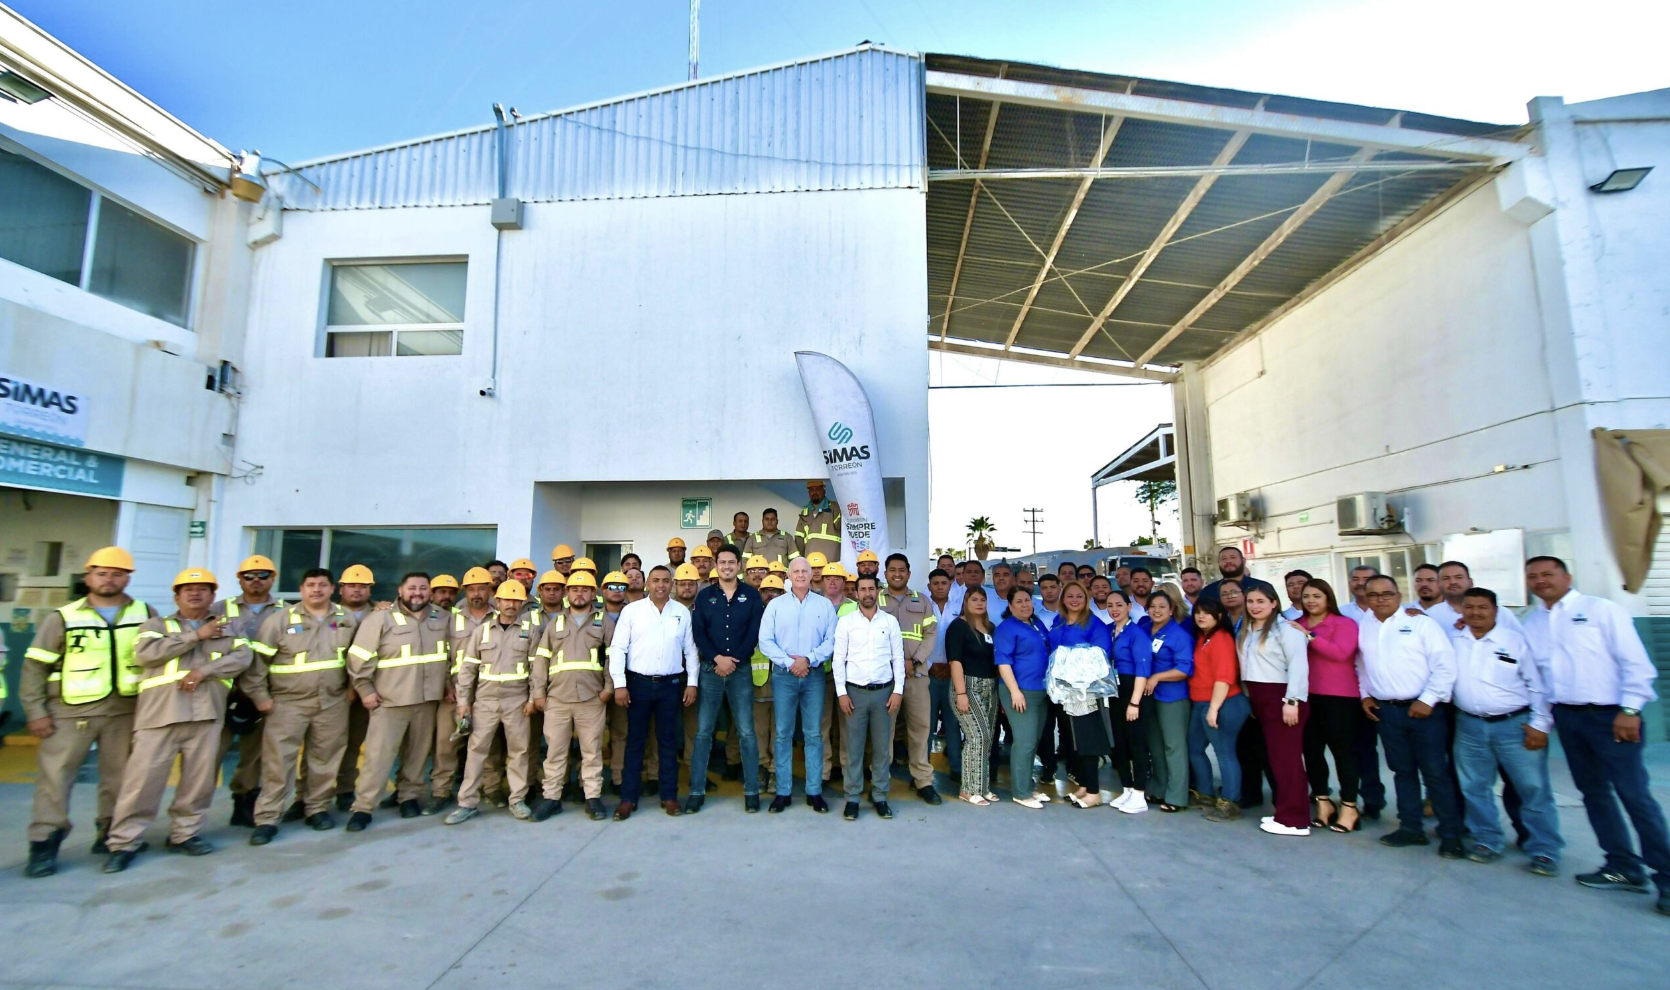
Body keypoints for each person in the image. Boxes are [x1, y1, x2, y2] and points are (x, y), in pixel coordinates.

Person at [1523, 556, 1668, 915]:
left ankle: (1666, 877)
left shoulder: (1602, 610)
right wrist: (1542, 722)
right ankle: (1622, 866)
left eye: (1547, 574)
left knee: (1634, 796)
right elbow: (1539, 681)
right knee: (1594, 794)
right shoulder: (1533, 623)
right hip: (1568, 718)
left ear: (1567, 576)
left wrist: (1630, 710)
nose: (1540, 581)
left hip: (1612, 717)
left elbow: (1636, 664)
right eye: (1533, 576)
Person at [102, 569, 252, 872]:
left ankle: (185, 834)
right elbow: (147, 654)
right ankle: (124, 842)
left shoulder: (228, 627)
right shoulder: (156, 625)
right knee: (142, 783)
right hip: (160, 716)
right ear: (176, 596)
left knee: (198, 783)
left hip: (206, 715)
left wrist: (204, 672)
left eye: (202, 589)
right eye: (188, 590)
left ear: (213, 596)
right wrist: (196, 636)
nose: (195, 594)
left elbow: (242, 657)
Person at [21, 546, 155, 878]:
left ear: (128, 577)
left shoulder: (145, 612)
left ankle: (112, 835)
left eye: (117, 573)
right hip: (69, 712)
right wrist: (36, 711)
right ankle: (44, 844)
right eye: (102, 573)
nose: (109, 579)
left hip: (126, 710)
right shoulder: (62, 617)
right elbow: (35, 666)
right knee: (55, 779)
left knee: (121, 779)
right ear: (88, 577)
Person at [242, 568, 358, 846]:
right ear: (301, 589)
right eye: (310, 585)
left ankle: (316, 808)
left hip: (332, 701)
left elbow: (356, 658)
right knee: (278, 763)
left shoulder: (346, 618)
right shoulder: (279, 621)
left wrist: (352, 688)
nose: (316, 590)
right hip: (287, 703)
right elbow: (257, 663)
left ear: (332, 589)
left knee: (324, 760)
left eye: (322, 585)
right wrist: (260, 697)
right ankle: (268, 818)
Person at [1451, 587, 1563, 872]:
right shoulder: (1454, 641)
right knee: (1474, 786)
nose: (1476, 612)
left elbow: (1538, 686)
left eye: (1482, 607)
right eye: (1470, 607)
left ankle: (1545, 849)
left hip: (1514, 725)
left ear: (1496, 611)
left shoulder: (1515, 642)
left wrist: (1540, 724)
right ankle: (1487, 839)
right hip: (1469, 725)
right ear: (1461, 610)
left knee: (1533, 788)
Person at [1357, 575, 1464, 857]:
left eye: (1387, 594)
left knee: (1435, 773)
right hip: (1387, 711)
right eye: (1374, 595)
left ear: (1399, 594)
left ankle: (1451, 832)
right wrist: (1365, 694)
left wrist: (1428, 700)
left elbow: (1445, 665)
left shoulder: (1420, 623)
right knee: (1402, 771)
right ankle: (1411, 827)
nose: (1381, 599)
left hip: (1424, 711)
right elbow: (1362, 665)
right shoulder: (1365, 625)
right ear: (1366, 598)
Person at [344, 573, 450, 832]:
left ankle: (409, 797)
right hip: (390, 701)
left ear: (430, 592)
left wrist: (447, 683)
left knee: (416, 756)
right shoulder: (380, 618)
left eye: (423, 589)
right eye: (412, 588)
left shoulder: (443, 617)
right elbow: (358, 658)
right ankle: (363, 807)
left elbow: (450, 655)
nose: (418, 593)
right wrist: (364, 689)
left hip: (427, 700)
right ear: (400, 590)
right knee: (378, 758)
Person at [608, 566, 698, 820]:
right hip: (638, 684)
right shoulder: (632, 611)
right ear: (647, 583)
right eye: (656, 580)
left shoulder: (681, 612)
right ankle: (628, 799)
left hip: (670, 685)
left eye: (666, 581)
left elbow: (690, 651)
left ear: (672, 584)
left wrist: (692, 682)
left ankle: (669, 796)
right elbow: (618, 648)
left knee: (668, 742)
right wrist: (619, 684)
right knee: (635, 742)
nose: (661, 585)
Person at [446, 582, 538, 824]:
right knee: (476, 751)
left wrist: (532, 699)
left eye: (515, 600)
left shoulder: (530, 631)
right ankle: (467, 802)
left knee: (519, 751)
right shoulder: (482, 631)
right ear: (497, 602)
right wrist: (464, 701)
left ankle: (517, 800)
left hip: (517, 701)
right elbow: (467, 669)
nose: (510, 604)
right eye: (506, 600)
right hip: (485, 700)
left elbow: (537, 670)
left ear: (522, 603)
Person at [687, 545, 766, 814]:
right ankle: (696, 792)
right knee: (703, 733)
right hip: (711, 671)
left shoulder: (752, 596)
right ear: (715, 565)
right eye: (722, 562)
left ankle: (752, 791)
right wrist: (717, 658)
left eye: (732, 562)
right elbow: (698, 633)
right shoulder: (705, 596)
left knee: (746, 732)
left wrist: (734, 661)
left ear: (739, 565)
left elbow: (754, 633)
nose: (727, 566)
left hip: (740, 671)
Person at [530, 569, 612, 821]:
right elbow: (541, 660)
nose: (579, 593)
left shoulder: (604, 621)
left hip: (591, 699)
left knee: (591, 751)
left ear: (592, 593)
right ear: (568, 593)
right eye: (575, 589)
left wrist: (608, 689)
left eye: (585, 589)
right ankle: (551, 798)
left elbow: (613, 657)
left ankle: (592, 797)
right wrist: (538, 693)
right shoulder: (555, 623)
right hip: (557, 699)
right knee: (555, 752)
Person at [760, 557, 837, 813]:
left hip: (814, 676)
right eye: (797, 571)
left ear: (812, 574)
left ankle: (814, 791)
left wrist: (809, 660)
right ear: (788, 575)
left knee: (814, 734)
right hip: (784, 676)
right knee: (782, 733)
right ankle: (783, 791)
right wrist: (790, 662)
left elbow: (832, 640)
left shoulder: (824, 605)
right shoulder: (775, 606)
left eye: (805, 571)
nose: (801, 575)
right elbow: (766, 641)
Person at [214, 555, 281, 829]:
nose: (256, 581)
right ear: (239, 579)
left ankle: (244, 802)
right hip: (221, 694)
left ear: (272, 578)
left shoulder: (286, 611)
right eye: (249, 576)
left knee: (254, 755)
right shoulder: (218, 609)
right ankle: (188, 819)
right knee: (207, 755)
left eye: (263, 575)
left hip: (261, 694)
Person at [1292, 579, 1363, 833]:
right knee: (1311, 752)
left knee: (1343, 753)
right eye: (1307, 596)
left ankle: (1349, 806)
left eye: (1317, 596)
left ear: (1328, 598)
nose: (1311, 601)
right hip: (1306, 696)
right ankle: (1323, 802)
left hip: (1339, 698)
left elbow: (1340, 653)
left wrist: (1309, 637)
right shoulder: (1297, 624)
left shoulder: (1344, 624)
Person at [1238, 587, 1311, 837]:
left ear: (1274, 603)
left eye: (1261, 601)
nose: (1255, 606)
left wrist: (1292, 700)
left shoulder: (1286, 630)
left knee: (1287, 760)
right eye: (1250, 601)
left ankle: (1296, 819)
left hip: (1282, 697)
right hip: (1259, 698)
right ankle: (1284, 812)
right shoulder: (1248, 629)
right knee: (1276, 759)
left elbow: (1298, 666)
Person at [833, 575, 905, 821]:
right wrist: (841, 692)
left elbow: (898, 658)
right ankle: (852, 798)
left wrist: (898, 691)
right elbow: (838, 660)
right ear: (857, 592)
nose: (867, 593)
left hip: (885, 693)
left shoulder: (890, 622)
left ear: (878, 591)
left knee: (882, 748)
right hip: (855, 693)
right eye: (862, 589)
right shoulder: (846, 622)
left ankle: (880, 795)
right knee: (853, 748)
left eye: (871, 588)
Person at [880, 554, 942, 805]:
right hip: (884, 676)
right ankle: (880, 780)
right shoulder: (876, 598)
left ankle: (923, 781)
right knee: (885, 730)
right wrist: (893, 663)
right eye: (892, 570)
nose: (897, 573)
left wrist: (914, 661)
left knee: (920, 729)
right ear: (885, 573)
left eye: (902, 570)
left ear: (908, 572)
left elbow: (931, 634)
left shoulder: (922, 601)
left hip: (916, 675)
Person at [1048, 582, 1115, 808]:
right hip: (1063, 692)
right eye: (1070, 596)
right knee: (1073, 740)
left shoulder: (1095, 624)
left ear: (1086, 599)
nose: (1074, 599)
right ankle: (1085, 785)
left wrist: (1070, 659)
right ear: (1063, 598)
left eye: (1079, 596)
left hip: (1084, 691)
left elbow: (1100, 655)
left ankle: (1094, 792)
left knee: (1088, 739)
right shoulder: (1058, 621)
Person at [439, 567, 497, 812]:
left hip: (487, 690)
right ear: (465, 591)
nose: (477, 594)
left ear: (489, 590)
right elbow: (439, 652)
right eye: (472, 589)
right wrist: (445, 683)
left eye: (482, 588)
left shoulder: (500, 615)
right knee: (446, 744)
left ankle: (492, 789)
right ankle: (441, 791)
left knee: (490, 744)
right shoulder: (449, 617)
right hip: (455, 690)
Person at [1187, 598, 1247, 823]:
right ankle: (1206, 794)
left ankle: (1230, 801)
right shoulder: (1203, 637)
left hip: (1224, 702)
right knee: (1194, 748)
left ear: (1219, 616)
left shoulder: (1221, 638)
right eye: (1198, 612)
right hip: (1201, 701)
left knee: (1224, 752)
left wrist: (1213, 709)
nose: (1201, 616)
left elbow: (1224, 677)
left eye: (1207, 612)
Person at [994, 587, 1052, 808]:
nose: (1024, 604)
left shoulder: (1036, 624)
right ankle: (1021, 792)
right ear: (1010, 606)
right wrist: (1015, 691)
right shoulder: (1007, 628)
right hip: (1020, 691)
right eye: (1018, 601)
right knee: (1025, 741)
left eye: (1027, 600)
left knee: (1033, 741)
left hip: (1040, 690)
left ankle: (1028, 785)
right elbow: (1003, 662)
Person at [1139, 590, 1194, 812]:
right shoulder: (1144, 631)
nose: (1157, 610)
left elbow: (1184, 668)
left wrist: (1157, 677)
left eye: (1162, 606)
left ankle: (1177, 796)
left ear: (1171, 610)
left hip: (1172, 697)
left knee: (1174, 746)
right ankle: (1159, 788)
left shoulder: (1179, 635)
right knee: (1155, 745)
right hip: (1148, 697)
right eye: (1153, 606)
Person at [946, 587, 999, 806]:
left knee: (987, 738)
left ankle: (982, 787)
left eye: (982, 599)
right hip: (967, 685)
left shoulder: (990, 628)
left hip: (990, 686)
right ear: (966, 601)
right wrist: (961, 693)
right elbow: (955, 661)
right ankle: (968, 789)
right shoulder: (958, 626)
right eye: (974, 599)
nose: (979, 603)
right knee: (976, 736)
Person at [332, 563, 377, 811]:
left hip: (365, 692)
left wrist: (361, 688)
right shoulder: (328, 615)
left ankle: (345, 789)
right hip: (332, 691)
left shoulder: (380, 614)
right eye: (352, 586)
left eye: (363, 586)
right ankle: (306, 797)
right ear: (341, 589)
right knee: (325, 746)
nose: (357, 591)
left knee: (353, 743)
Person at [1107, 590, 1154, 814]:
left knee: (1136, 743)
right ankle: (1126, 788)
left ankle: (1139, 793)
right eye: (1110, 605)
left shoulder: (1137, 633)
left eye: (1119, 604)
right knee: (1119, 743)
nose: (1114, 609)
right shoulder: (1109, 631)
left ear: (1128, 606)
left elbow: (1142, 670)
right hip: (1113, 691)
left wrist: (1134, 703)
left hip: (1133, 690)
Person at [924, 568, 962, 777]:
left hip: (952, 675)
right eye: (935, 583)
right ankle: (923, 771)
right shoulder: (921, 607)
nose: (940, 586)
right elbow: (917, 639)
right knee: (926, 726)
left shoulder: (959, 608)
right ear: (929, 586)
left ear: (950, 585)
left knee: (953, 724)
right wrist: (930, 665)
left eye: (944, 583)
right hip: (927, 673)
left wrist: (951, 666)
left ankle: (956, 768)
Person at [750, 574, 786, 789]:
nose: (770, 595)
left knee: (780, 731)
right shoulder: (752, 616)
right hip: (758, 682)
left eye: (776, 591)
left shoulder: (790, 617)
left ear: (783, 594)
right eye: (766, 591)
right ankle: (762, 767)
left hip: (783, 683)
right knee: (759, 730)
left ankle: (775, 771)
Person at [1196, 546, 1277, 606]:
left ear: (1243, 561)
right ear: (1219, 563)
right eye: (1224, 559)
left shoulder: (1262, 587)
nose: (1228, 561)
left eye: (1233, 557)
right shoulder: (1208, 591)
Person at [796, 481, 842, 562]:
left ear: (824, 491)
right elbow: (799, 540)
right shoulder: (805, 512)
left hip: (831, 563)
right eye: (811, 490)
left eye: (817, 489)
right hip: (811, 564)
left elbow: (842, 527)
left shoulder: (834, 507)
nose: (814, 492)